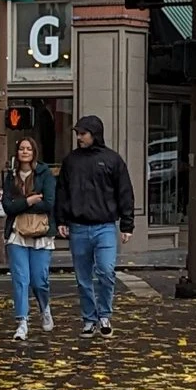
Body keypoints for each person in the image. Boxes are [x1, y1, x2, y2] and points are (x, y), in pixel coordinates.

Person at [56, 113, 135, 335]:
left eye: (83, 133)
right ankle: (90, 319)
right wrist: (61, 219)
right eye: (78, 133)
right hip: (78, 226)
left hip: (105, 225)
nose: (79, 137)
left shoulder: (112, 160)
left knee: (106, 271)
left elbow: (124, 192)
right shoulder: (71, 161)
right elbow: (62, 191)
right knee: (83, 278)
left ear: (94, 134)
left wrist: (127, 225)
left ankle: (104, 315)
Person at [1, 131, 56, 342]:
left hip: (40, 233)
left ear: (34, 152)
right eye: (21, 149)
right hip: (16, 234)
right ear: (17, 152)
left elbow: (49, 203)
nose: (25, 152)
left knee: (39, 280)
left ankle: (44, 308)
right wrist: (29, 201)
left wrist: (21, 204)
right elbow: (7, 207)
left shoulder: (45, 174)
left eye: (28, 149)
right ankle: (22, 322)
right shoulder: (10, 176)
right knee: (20, 279)